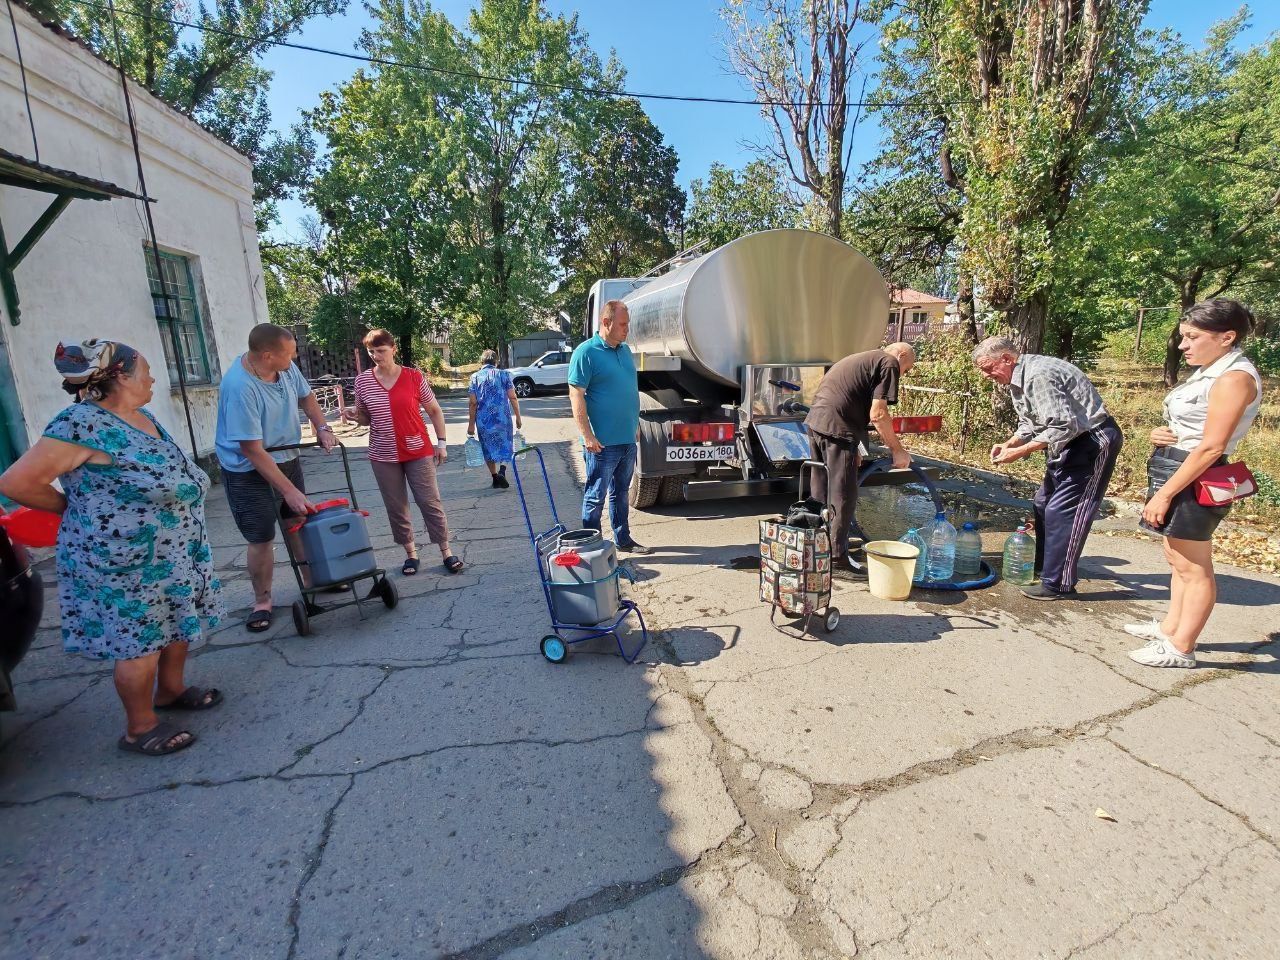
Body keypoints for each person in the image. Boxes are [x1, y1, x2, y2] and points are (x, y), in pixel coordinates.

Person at [0, 340, 223, 756]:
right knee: (139, 639)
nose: (153, 377)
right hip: (123, 558)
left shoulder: (140, 416)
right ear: (120, 375)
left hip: (174, 548)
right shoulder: (80, 424)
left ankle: (171, 690)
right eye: (147, 370)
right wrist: (73, 507)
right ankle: (140, 727)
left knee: (176, 619)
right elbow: (15, 484)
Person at [1127, 301, 1263, 668]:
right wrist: (1162, 434)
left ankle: (1181, 648)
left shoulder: (1234, 378)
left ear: (1226, 337)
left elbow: (1213, 446)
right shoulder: (1212, 370)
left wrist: (1167, 493)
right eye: (1183, 337)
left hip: (1195, 475)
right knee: (1176, 557)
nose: (1183, 345)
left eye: (1192, 337)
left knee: (1194, 564)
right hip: (1179, 465)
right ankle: (1171, 628)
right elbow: (1195, 428)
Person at [972, 335, 1123, 601]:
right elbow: (1033, 422)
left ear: (1006, 359)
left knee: (1065, 511)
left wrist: (1021, 452)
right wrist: (1010, 442)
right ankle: (1044, 566)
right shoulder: (1018, 379)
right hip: (1067, 443)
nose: (986, 376)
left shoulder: (1037, 376)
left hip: (1090, 440)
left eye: (988, 368)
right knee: (1043, 504)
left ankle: (1059, 584)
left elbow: (1064, 425)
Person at [215, 323, 336, 632]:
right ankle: (262, 601)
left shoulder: (285, 367)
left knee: (297, 522)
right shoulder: (239, 387)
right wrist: (289, 491)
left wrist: (322, 427)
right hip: (246, 469)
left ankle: (314, 582)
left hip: (286, 454)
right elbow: (252, 450)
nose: (294, 359)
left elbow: (306, 397)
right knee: (261, 537)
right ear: (267, 355)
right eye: (289, 354)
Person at [354, 329, 462, 575]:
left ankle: (446, 551)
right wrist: (354, 416)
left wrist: (442, 443)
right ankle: (411, 555)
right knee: (396, 506)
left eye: (381, 351)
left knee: (429, 502)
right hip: (383, 454)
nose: (376, 356)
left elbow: (434, 410)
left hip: (418, 450)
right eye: (371, 352)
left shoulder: (413, 377)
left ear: (393, 349)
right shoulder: (362, 381)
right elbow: (365, 418)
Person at [804, 342, 916, 579]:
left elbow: (852, 400)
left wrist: (857, 448)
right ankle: (836, 558)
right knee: (843, 493)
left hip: (817, 422)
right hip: (837, 428)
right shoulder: (889, 362)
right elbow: (878, 414)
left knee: (820, 488)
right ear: (902, 355)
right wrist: (897, 450)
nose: (903, 374)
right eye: (907, 368)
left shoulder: (862, 358)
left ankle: (816, 545)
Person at [567, 300, 649, 555]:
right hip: (601, 443)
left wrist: (634, 425)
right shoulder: (586, 352)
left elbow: (628, 391)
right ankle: (593, 550)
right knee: (595, 496)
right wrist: (587, 435)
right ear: (606, 322)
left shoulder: (624, 351)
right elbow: (576, 395)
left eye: (628, 324)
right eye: (623, 324)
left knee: (621, 493)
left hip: (626, 440)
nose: (627, 330)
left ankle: (623, 540)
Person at [467, 349, 523, 490]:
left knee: (488, 448)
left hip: (484, 421)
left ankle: (494, 478)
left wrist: (471, 425)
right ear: (496, 361)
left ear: (482, 362)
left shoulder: (474, 377)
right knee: (506, 445)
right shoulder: (504, 375)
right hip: (502, 419)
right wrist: (518, 417)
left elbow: (473, 403)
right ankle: (502, 471)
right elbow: (513, 397)